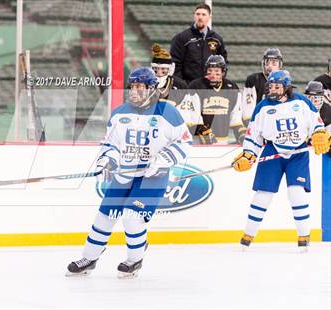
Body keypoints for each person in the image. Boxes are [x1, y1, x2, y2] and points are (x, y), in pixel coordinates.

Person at [66, 67, 192, 278]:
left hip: (153, 177)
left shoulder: (168, 113)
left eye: (140, 86)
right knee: (105, 216)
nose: (134, 91)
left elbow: (185, 142)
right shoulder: (119, 113)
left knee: (132, 217)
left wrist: (161, 161)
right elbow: (110, 144)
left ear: (152, 88)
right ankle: (90, 257)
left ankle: (134, 260)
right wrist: (108, 160)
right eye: (132, 86)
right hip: (124, 175)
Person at [232, 70, 329, 251]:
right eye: (271, 86)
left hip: (298, 154)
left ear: (286, 87)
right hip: (272, 151)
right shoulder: (262, 107)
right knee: (263, 195)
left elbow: (316, 123)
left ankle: (303, 236)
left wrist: (319, 133)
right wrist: (248, 154)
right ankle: (248, 235)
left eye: (277, 86)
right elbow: (254, 136)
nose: (273, 89)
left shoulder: (301, 102)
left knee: (296, 193)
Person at [188, 55, 246, 144]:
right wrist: (201, 131)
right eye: (210, 70)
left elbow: (235, 118)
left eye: (216, 71)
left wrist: (241, 133)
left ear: (223, 72)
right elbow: (192, 116)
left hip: (223, 140)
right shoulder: (196, 86)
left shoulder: (232, 88)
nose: (213, 74)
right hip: (199, 140)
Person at [170, 2, 227, 86]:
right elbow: (175, 63)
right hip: (188, 86)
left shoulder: (216, 39)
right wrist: (182, 85)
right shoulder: (182, 38)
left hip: (210, 86)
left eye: (203, 14)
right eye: (198, 14)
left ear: (209, 17)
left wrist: (219, 80)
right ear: (194, 16)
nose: (200, 17)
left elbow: (223, 62)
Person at [150, 43, 201, 132]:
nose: (159, 72)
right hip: (149, 127)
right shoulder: (145, 82)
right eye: (156, 68)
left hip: (172, 128)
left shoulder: (180, 85)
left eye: (163, 69)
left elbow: (186, 111)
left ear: (170, 69)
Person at [242, 48, 284, 126]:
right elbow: (248, 107)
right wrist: (251, 124)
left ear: (280, 65)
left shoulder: (284, 81)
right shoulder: (254, 80)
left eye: (274, 63)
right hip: (259, 122)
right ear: (263, 64)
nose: (270, 66)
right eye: (267, 63)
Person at [304, 80, 331, 152]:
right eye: (310, 99)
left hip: (321, 149)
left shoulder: (327, 111)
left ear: (322, 99)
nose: (312, 103)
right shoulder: (299, 109)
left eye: (316, 100)